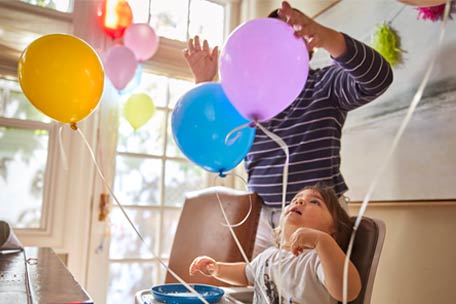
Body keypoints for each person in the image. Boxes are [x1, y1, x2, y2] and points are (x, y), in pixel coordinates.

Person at [183, 1, 393, 256]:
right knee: (257, 289)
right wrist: (204, 83)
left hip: (319, 217)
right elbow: (210, 142)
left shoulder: (325, 85)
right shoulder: (242, 101)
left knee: (308, 292)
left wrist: (327, 37)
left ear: (306, 48)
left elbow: (379, 78)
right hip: (261, 219)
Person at [189, 184, 361, 304]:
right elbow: (245, 273)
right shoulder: (269, 255)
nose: (299, 202)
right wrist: (216, 269)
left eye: (314, 202)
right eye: (295, 199)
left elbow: (347, 292)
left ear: (333, 233)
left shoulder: (317, 260)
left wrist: (323, 242)